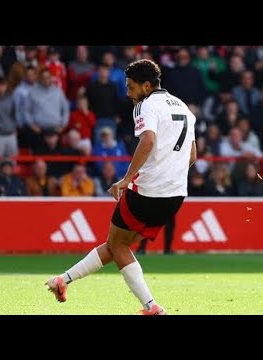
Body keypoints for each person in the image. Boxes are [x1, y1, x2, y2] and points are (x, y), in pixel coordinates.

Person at [45, 59, 197, 315]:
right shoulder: (184, 108)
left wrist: (127, 178)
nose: (128, 93)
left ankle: (151, 306)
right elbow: (192, 155)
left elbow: (147, 141)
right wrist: (169, 174)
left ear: (146, 86)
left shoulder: (145, 105)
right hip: (175, 194)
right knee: (117, 244)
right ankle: (62, 280)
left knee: (117, 245)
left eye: (130, 87)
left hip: (147, 191)